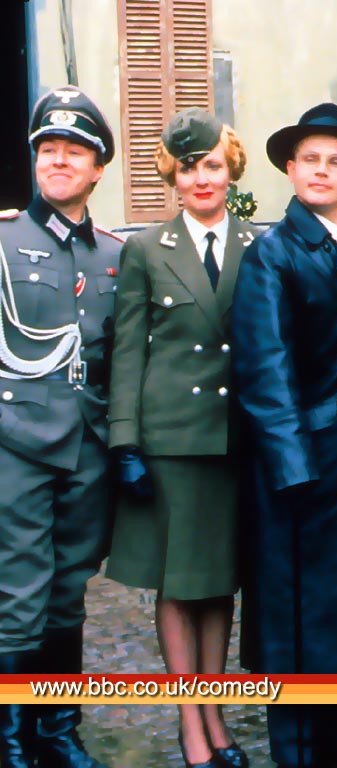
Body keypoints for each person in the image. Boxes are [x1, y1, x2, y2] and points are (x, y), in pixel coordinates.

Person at [231, 103, 337, 768]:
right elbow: (265, 372)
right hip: (301, 466)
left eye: (335, 161)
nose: (322, 171)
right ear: (290, 168)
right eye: (310, 160)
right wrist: (294, 468)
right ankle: (298, 746)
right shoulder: (272, 256)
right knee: (298, 609)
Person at [104, 108, 257, 768]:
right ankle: (190, 723)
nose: (201, 178)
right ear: (173, 175)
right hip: (171, 440)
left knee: (219, 584)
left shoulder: (257, 244)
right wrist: (125, 442)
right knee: (177, 584)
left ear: (231, 171)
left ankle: (215, 715)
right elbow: (128, 350)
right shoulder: (146, 248)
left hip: (235, 442)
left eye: (212, 166)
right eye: (189, 167)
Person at [0, 85, 119, 768]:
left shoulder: (114, 254)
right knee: (19, 594)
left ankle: (58, 730)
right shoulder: (4, 241)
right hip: (15, 443)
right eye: (48, 148)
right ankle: (14, 739)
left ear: (98, 167)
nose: (59, 160)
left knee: (68, 594)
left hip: (87, 447)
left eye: (75, 150)